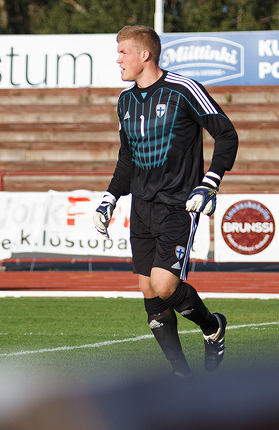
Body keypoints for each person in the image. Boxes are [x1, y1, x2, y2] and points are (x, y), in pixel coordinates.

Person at [93, 25, 238, 376]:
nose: (118, 59)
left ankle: (211, 326)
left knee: (164, 284)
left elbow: (226, 134)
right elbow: (127, 158)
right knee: (149, 294)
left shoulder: (183, 89)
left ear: (145, 54)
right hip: (140, 208)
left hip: (179, 205)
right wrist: (110, 196)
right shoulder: (125, 101)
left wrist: (210, 183)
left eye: (123, 52)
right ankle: (181, 375)